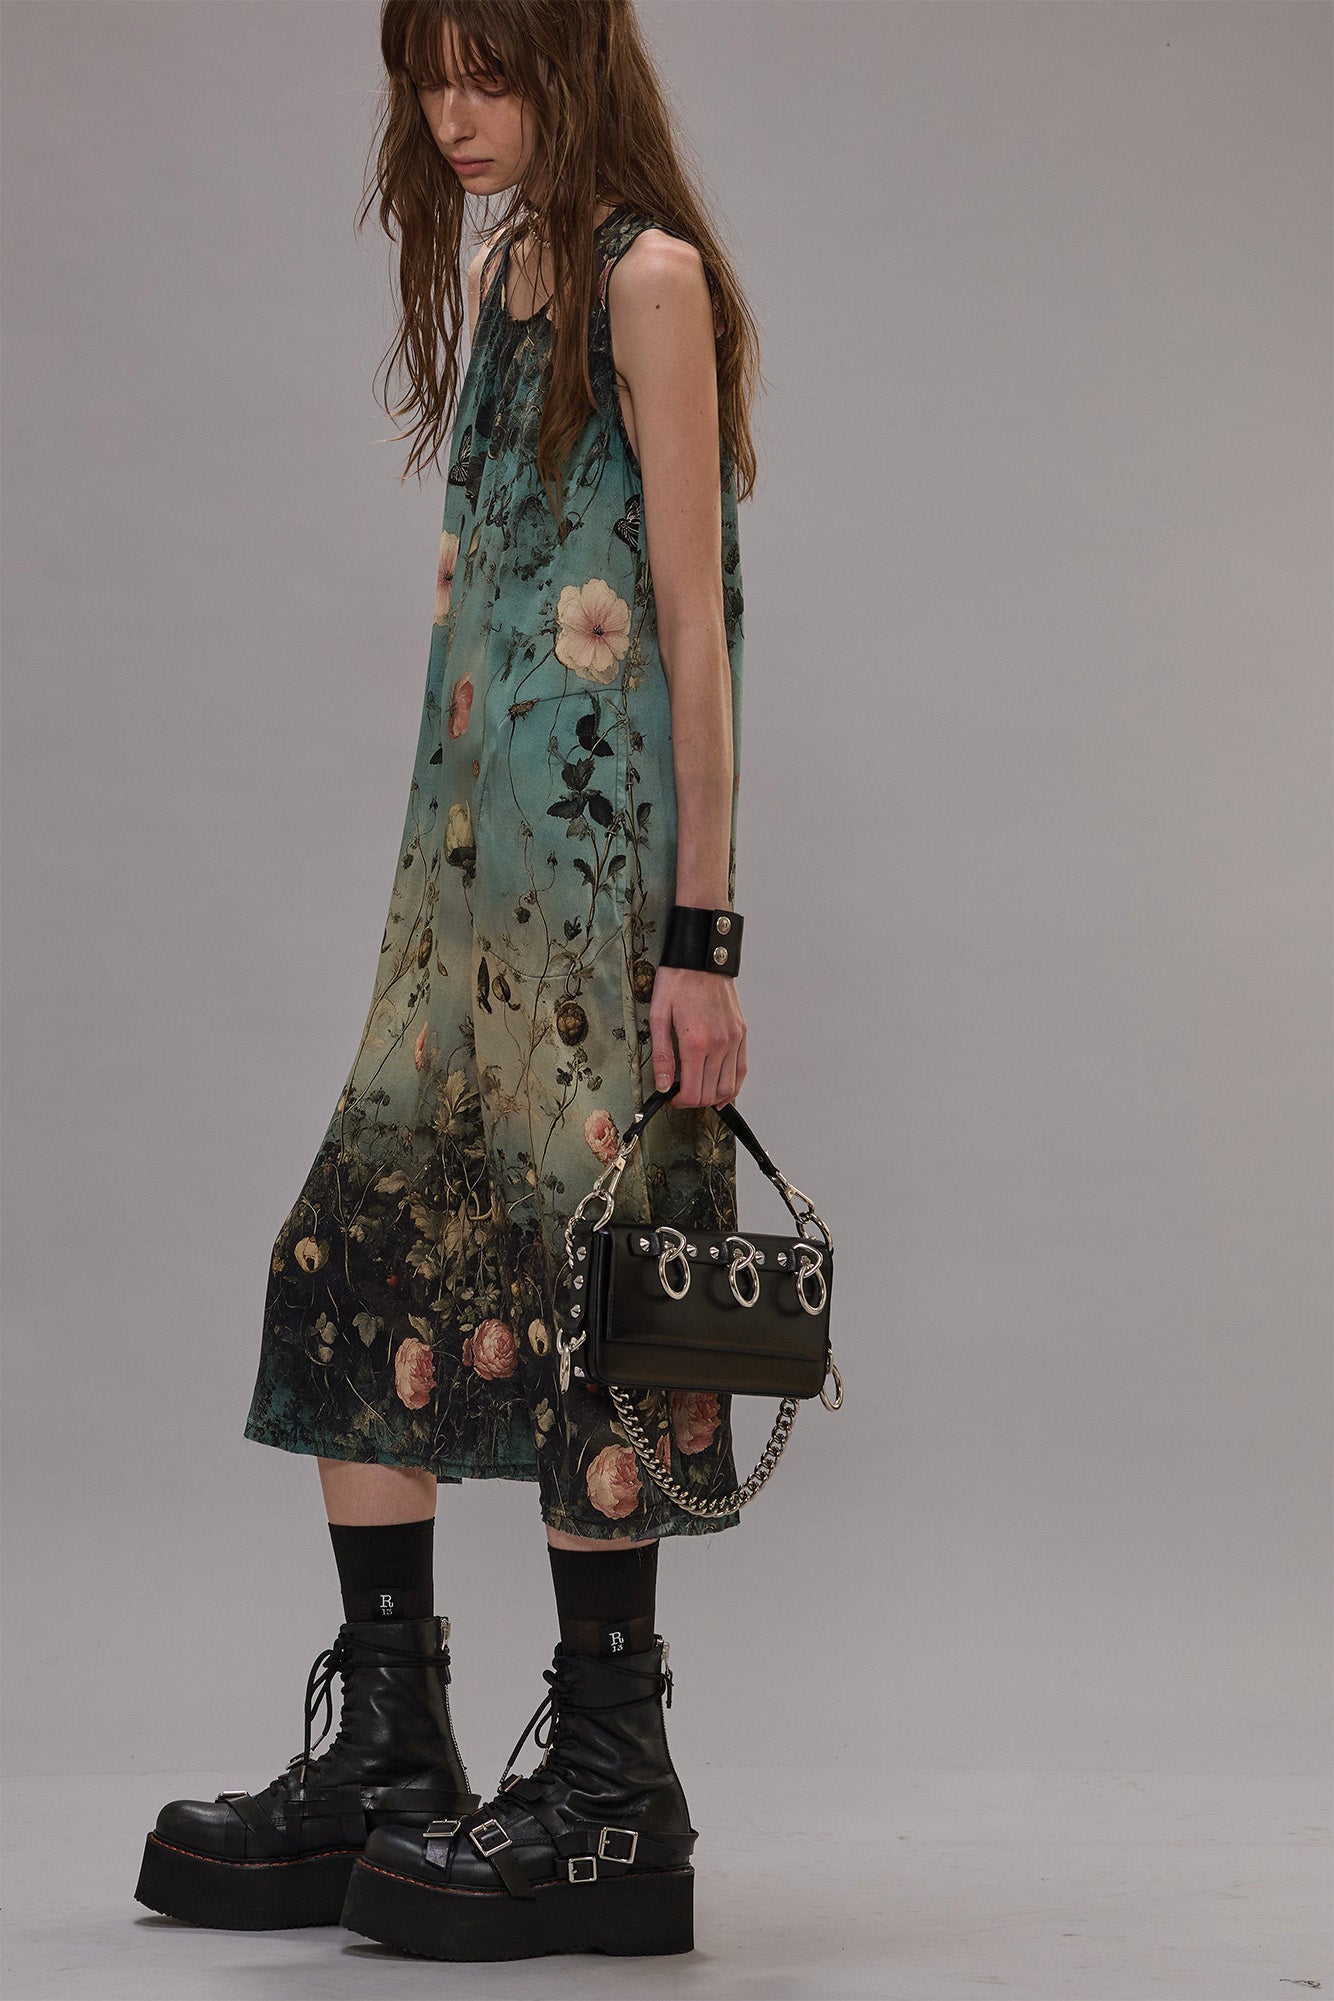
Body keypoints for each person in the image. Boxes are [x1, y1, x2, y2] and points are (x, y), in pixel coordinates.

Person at [134, 0, 762, 1961]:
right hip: (461, 900)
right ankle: (393, 1747)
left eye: (489, 73)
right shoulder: (503, 277)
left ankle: (614, 1794)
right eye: (427, 74)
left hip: (600, 897)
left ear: (569, 69)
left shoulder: (646, 278)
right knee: (355, 1259)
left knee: (598, 1298)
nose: (450, 112)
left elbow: (691, 624)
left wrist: (701, 939)